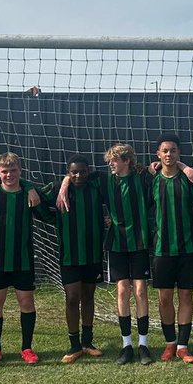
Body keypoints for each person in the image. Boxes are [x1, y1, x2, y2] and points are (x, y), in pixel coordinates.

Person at [59, 144, 152, 365]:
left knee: (140, 291)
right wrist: (63, 185)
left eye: (114, 160)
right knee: (122, 291)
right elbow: (73, 177)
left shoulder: (143, 176)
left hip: (139, 242)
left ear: (127, 160)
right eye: (109, 160)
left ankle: (144, 345)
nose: (110, 163)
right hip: (117, 242)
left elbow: (163, 169)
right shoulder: (102, 180)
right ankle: (126, 345)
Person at [39, 155, 105, 364]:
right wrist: (53, 218)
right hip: (69, 254)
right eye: (73, 172)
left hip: (93, 253)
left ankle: (88, 342)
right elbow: (36, 198)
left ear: (88, 171)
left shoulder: (95, 184)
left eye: (82, 171)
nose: (78, 175)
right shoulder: (59, 187)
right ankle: (74, 344)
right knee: (72, 297)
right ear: (67, 172)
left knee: (88, 296)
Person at [0, 152, 40, 367]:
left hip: (23, 260)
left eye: (13, 170)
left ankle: (27, 347)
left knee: (26, 303)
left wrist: (29, 186)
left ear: (20, 171)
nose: (9, 175)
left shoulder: (28, 194)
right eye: (4, 171)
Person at [149, 135, 193, 364]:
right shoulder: (150, 179)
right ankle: (169, 343)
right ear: (158, 154)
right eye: (165, 151)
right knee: (164, 298)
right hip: (162, 249)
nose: (169, 154)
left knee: (186, 295)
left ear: (179, 153)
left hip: (187, 248)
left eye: (173, 151)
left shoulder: (189, 179)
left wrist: (185, 168)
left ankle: (182, 345)